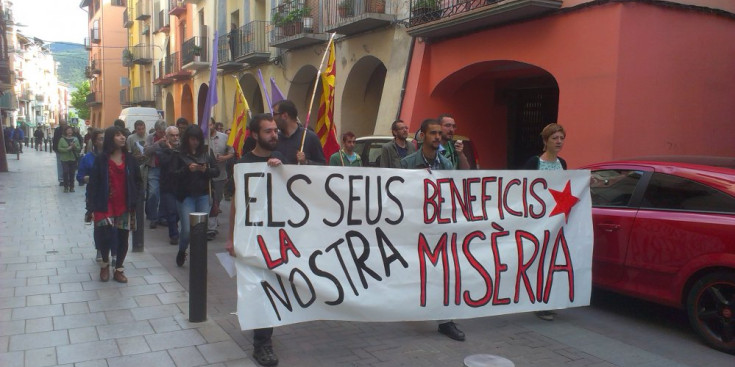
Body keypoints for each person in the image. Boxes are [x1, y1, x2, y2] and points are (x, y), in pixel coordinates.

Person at [226, 113, 284, 367]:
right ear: (255, 135)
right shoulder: (245, 164)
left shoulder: (285, 161)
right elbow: (237, 205)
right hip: (252, 237)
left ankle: (265, 333)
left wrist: (286, 168)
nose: (274, 134)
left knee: (273, 287)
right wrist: (231, 238)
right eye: (268, 131)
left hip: (279, 237)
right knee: (259, 288)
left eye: (275, 130)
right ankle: (262, 344)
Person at [400, 118, 464, 341]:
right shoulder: (407, 164)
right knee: (413, 271)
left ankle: (445, 321)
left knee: (442, 273)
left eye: (439, 133)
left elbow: (454, 192)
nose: (438, 136)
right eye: (433, 133)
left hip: (439, 228)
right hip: (414, 227)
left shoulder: (446, 165)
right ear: (423, 136)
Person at [521, 123, 567, 321]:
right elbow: (522, 186)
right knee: (537, 261)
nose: (558, 142)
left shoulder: (562, 164)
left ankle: (545, 301)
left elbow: (566, 187)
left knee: (550, 261)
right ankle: (536, 300)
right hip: (536, 220)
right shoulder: (534, 162)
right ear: (545, 141)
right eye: (554, 138)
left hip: (554, 220)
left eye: (561, 138)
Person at [87, 126, 142, 283]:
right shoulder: (101, 160)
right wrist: (90, 207)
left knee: (123, 237)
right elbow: (93, 184)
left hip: (125, 204)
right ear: (111, 138)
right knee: (105, 235)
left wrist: (135, 197)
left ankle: (119, 268)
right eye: (118, 135)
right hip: (105, 204)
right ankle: (105, 264)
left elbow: (138, 180)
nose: (122, 138)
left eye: (123, 135)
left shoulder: (130, 159)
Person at [173, 125, 219, 267]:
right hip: (186, 196)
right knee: (186, 229)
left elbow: (216, 171)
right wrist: (188, 169)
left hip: (203, 195)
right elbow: (173, 175)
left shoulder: (206, 153)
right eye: (192, 139)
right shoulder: (178, 154)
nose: (195, 142)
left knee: (200, 229)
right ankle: (182, 250)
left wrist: (205, 170)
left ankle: (197, 257)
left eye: (198, 139)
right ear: (187, 139)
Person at [78, 129, 115, 262]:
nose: (103, 141)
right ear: (95, 141)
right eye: (100, 138)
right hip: (94, 195)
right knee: (99, 225)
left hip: (111, 194)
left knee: (112, 224)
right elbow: (80, 177)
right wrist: (92, 178)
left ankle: (113, 251)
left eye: (104, 138)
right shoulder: (87, 158)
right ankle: (100, 249)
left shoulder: (113, 156)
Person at [148, 126, 181, 245]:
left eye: (177, 135)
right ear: (166, 137)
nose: (175, 138)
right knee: (171, 211)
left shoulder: (182, 148)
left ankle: (176, 228)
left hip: (180, 185)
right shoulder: (161, 148)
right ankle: (174, 235)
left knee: (178, 212)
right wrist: (170, 149)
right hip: (167, 184)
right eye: (172, 135)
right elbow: (164, 161)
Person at [272, 100, 326, 165]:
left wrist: (306, 162)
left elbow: (322, 165)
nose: (273, 118)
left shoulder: (309, 137)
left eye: (274, 114)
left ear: (285, 116)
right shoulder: (275, 138)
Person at [207, 119, 235, 238]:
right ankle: (210, 226)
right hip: (206, 174)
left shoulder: (224, 137)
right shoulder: (201, 137)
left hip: (220, 174)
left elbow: (232, 152)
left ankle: (213, 219)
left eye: (211, 124)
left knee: (217, 199)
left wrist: (224, 158)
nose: (209, 126)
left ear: (214, 125)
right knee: (208, 200)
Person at [143, 120, 168, 229]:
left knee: (164, 194)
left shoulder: (170, 136)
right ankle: (153, 217)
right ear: (156, 130)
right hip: (154, 168)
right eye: (160, 132)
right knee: (153, 192)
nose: (162, 134)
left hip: (166, 169)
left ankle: (162, 216)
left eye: (164, 132)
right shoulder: (150, 137)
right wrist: (158, 143)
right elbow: (146, 151)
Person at [58, 126, 82, 193]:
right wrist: (67, 149)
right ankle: (66, 187)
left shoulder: (75, 139)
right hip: (64, 159)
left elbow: (79, 148)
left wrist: (74, 147)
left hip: (73, 158)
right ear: (65, 131)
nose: (69, 132)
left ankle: (72, 187)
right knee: (65, 172)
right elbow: (59, 148)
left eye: (71, 130)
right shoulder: (62, 139)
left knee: (72, 173)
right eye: (68, 130)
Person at [53, 120, 69, 186]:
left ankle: (67, 178)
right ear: (60, 124)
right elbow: (55, 139)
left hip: (68, 150)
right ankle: (61, 179)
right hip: (59, 150)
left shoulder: (69, 129)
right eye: (62, 124)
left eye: (65, 124)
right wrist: (55, 148)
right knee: (59, 164)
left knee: (68, 164)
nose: (63, 126)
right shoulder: (57, 130)